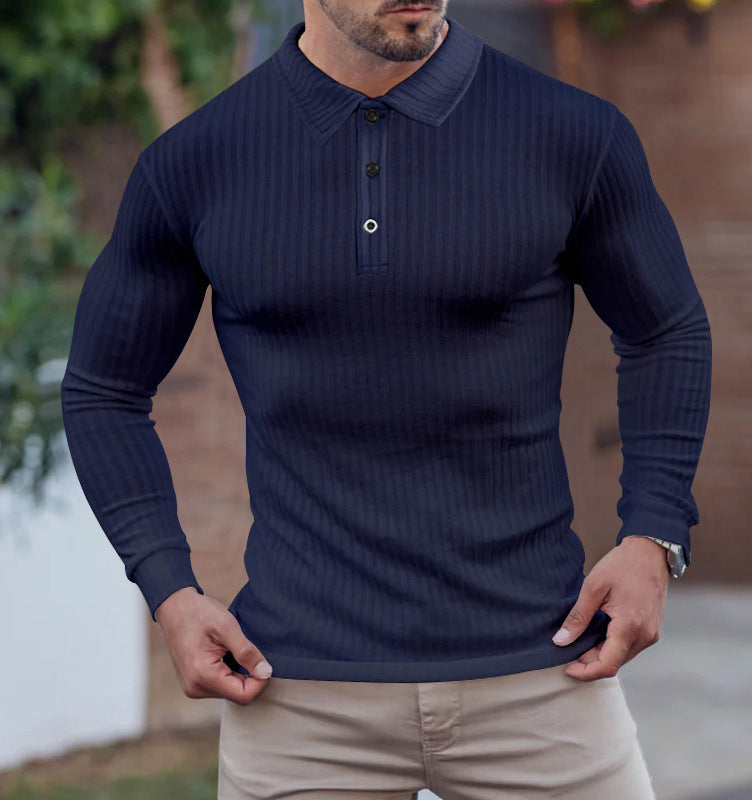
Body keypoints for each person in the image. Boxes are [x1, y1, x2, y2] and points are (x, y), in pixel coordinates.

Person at [60, 1, 712, 798]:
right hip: (297, 697)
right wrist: (169, 591)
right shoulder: (196, 160)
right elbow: (104, 388)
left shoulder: (574, 134)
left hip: (543, 674)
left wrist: (653, 535)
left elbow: (666, 330)